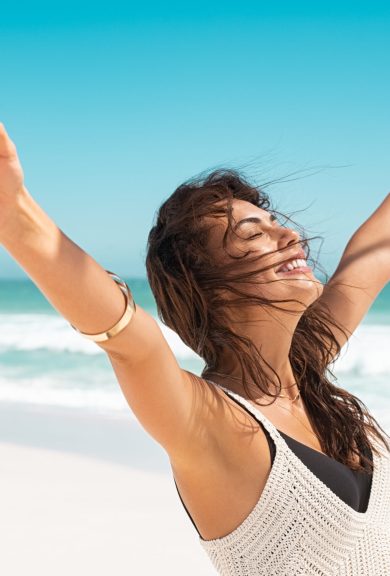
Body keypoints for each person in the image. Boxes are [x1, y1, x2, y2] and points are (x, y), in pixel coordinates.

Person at [0, 122, 389, 575]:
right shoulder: (216, 426)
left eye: (277, 224)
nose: (291, 238)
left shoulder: (304, 366)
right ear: (210, 289)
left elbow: (374, 255)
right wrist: (16, 214)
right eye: (252, 234)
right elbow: (129, 340)